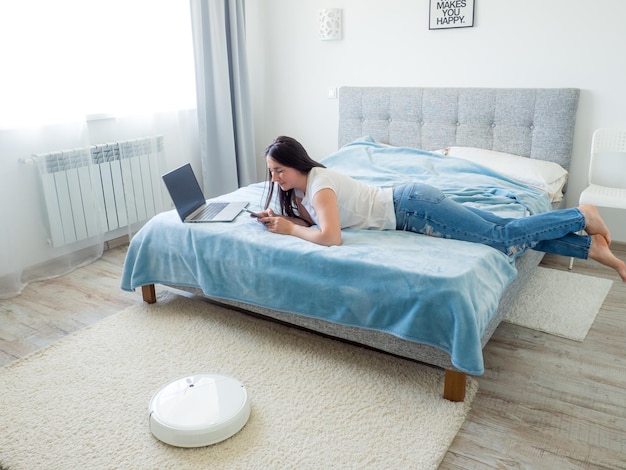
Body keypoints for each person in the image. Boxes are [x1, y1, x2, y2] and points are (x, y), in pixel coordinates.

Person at [254, 136, 626, 282]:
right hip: (413, 204)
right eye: (270, 173)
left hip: (415, 208)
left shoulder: (319, 186)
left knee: (501, 238)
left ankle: (581, 215)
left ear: (297, 163)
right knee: (506, 228)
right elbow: (318, 220)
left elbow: (330, 237)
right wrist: (283, 217)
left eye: (279, 171)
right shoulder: (304, 191)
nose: (275, 179)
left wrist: (291, 229)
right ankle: (590, 248)